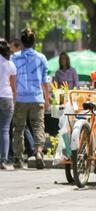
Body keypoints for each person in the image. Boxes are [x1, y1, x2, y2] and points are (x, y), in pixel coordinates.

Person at [11, 28, 50, 170]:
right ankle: (39, 152)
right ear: (34, 42)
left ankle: (18, 158)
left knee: (18, 129)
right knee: (38, 126)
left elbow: (11, 78)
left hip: (20, 98)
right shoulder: (41, 58)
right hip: (36, 97)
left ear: (21, 42)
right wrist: (47, 98)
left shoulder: (14, 58)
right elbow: (45, 81)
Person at [0, 39, 16, 170]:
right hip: (7, 97)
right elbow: (13, 86)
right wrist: (14, 101)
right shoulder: (11, 65)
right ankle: (3, 161)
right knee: (5, 130)